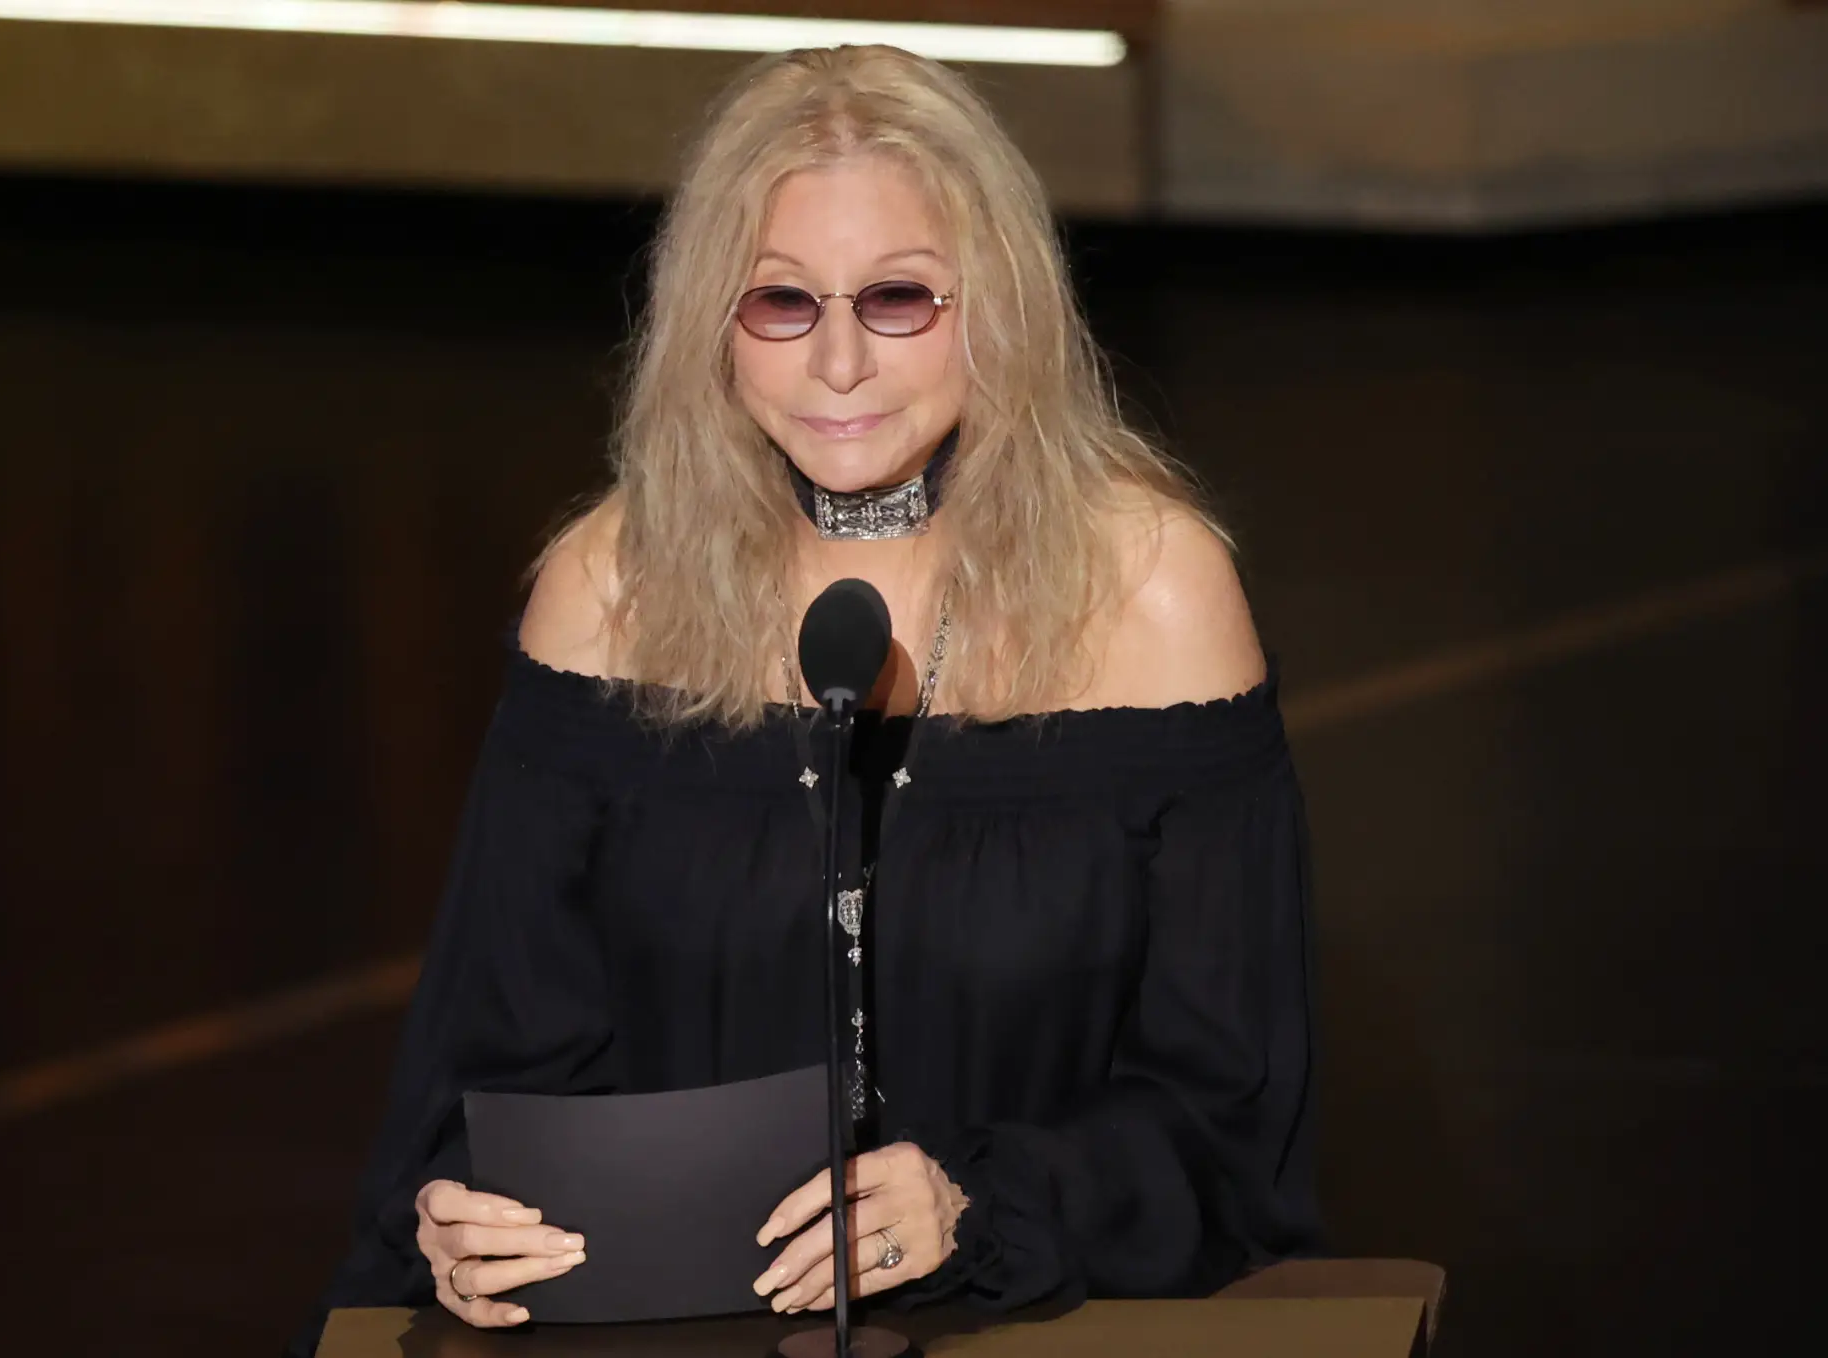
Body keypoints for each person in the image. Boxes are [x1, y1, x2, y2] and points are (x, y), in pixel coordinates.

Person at [286, 43, 1319, 1356]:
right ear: (710, 324)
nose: (838, 363)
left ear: (1000, 306)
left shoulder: (1155, 593)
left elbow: (1236, 1117)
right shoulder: (606, 588)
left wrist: (983, 1202)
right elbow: (486, 1070)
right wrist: (457, 1213)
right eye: (781, 301)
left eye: (898, 298)